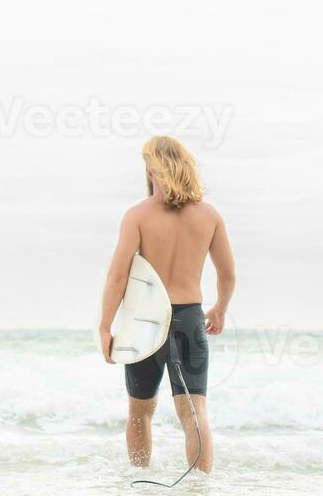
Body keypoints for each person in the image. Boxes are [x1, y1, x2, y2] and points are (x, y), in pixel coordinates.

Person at [97, 135, 234, 474]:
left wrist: (104, 326)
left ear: (151, 169)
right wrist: (219, 309)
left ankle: (139, 482)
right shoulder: (209, 216)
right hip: (188, 319)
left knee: (140, 411)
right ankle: (199, 492)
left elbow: (118, 276)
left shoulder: (137, 216)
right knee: (194, 412)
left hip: (145, 323)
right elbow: (227, 274)